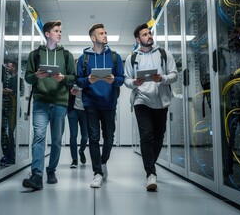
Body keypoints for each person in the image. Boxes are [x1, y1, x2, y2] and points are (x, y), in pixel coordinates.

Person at [124, 23, 178, 191]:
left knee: (159, 137)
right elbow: (126, 79)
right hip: (141, 100)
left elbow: (174, 75)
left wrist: (161, 78)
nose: (149, 36)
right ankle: (151, 174)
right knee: (146, 136)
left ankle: (149, 164)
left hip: (161, 101)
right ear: (137, 39)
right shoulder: (132, 58)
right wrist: (134, 82)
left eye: (149, 33)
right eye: (145, 34)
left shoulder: (164, 54)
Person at [22, 20, 75, 190]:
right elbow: (28, 78)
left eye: (60, 31)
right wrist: (37, 75)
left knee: (57, 140)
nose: (60, 33)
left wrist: (63, 78)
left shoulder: (66, 55)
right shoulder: (35, 55)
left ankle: (51, 170)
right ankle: (37, 175)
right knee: (39, 136)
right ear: (47, 34)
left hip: (60, 101)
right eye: (56, 31)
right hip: (41, 101)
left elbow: (73, 77)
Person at [76, 23, 124, 188]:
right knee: (94, 138)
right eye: (101, 33)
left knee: (109, 137)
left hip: (109, 103)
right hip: (91, 104)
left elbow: (121, 78)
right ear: (93, 37)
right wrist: (88, 80)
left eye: (105, 32)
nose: (105, 35)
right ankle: (97, 172)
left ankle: (103, 161)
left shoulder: (114, 57)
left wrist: (114, 80)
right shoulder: (84, 59)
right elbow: (78, 81)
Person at [0, 61, 19, 166]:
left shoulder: (18, 80)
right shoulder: (7, 79)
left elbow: (19, 92)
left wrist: (10, 91)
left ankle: (11, 157)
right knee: (2, 132)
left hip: (13, 109)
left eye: (9, 66)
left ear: (14, 68)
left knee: (10, 132)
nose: (7, 67)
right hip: (6, 108)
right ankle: (7, 155)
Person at [67, 83, 88, 168]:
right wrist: (70, 92)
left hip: (85, 111)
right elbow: (65, 92)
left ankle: (81, 151)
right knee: (73, 135)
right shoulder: (71, 79)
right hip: (73, 110)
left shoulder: (87, 79)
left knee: (85, 136)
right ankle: (74, 160)